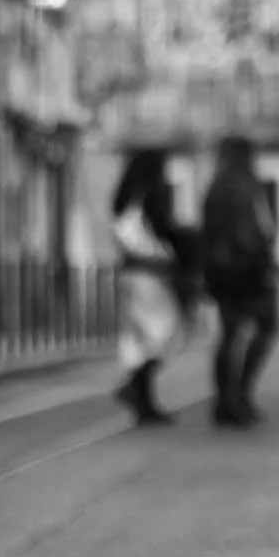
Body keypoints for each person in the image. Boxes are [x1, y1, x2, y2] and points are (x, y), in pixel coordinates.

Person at [200, 136, 279, 427]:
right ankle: (239, 394)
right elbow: (256, 232)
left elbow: (207, 235)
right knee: (266, 327)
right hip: (247, 271)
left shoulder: (214, 189)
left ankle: (225, 399)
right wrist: (265, 262)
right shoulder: (247, 187)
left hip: (221, 274)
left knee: (229, 334)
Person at [110, 147, 187, 425]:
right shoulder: (148, 199)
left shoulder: (123, 199)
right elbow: (163, 234)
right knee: (166, 336)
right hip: (148, 276)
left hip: (131, 275)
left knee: (142, 342)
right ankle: (134, 387)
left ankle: (144, 402)